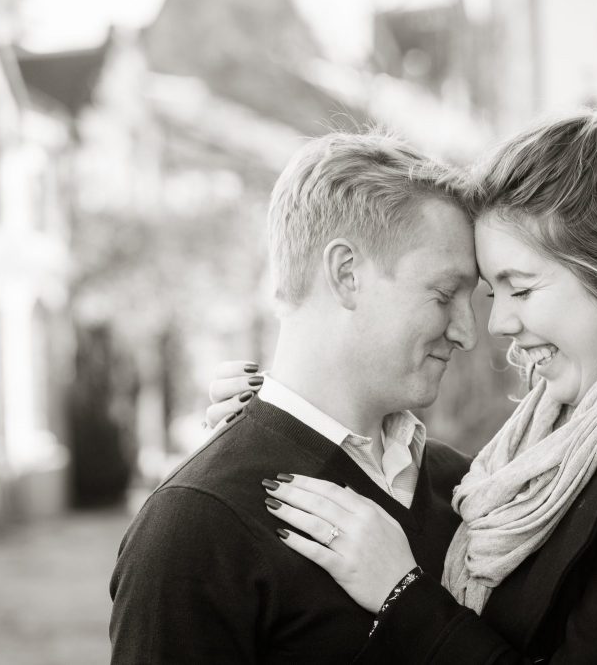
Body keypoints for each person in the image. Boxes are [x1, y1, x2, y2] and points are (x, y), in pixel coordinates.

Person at [207, 104, 597, 663]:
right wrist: (283, 425)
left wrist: (402, 594)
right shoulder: (560, 434)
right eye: (491, 290)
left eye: (520, 288)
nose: (496, 323)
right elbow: (457, 497)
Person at [109, 132, 480, 663]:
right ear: (346, 274)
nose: (467, 331)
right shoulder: (194, 526)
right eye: (445, 295)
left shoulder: (465, 487)